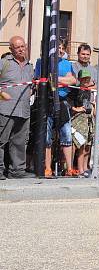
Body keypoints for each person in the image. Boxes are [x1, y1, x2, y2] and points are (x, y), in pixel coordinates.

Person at [35, 40, 77, 177]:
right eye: (55, 47)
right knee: (47, 137)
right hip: (47, 101)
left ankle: (69, 168)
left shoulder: (66, 64)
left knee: (66, 135)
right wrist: (62, 79)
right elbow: (40, 79)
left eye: (60, 47)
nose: (58, 50)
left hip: (62, 101)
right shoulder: (41, 62)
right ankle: (47, 168)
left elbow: (72, 81)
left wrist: (55, 78)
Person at [0, 36, 35, 180]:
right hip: (5, 109)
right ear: (11, 49)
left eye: (23, 46)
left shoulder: (29, 66)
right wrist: (2, 94)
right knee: (1, 141)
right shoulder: (4, 63)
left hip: (24, 110)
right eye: (17, 47)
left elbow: (31, 85)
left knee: (20, 141)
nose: (21, 49)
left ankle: (17, 171)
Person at [68, 69, 95, 177]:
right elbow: (68, 102)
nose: (86, 81)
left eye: (87, 78)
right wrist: (76, 108)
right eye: (83, 79)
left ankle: (83, 168)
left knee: (87, 145)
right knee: (78, 144)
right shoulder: (75, 89)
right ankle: (74, 168)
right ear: (79, 79)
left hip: (88, 119)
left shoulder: (88, 90)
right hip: (78, 119)